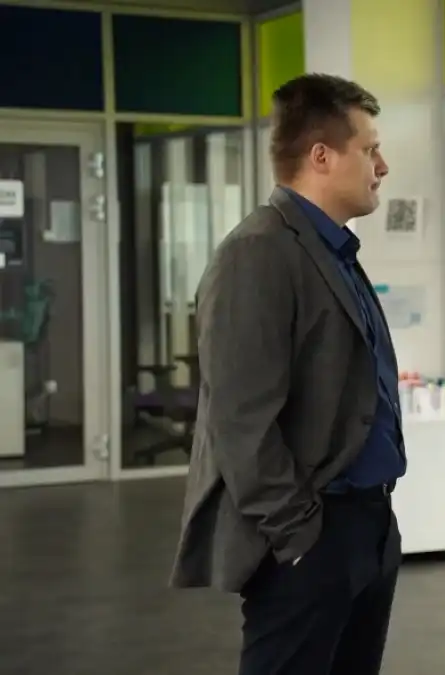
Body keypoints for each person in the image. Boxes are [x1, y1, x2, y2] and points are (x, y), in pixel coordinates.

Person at [169, 73, 405, 675]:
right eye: (370, 149)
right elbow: (240, 422)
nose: (382, 166)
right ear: (322, 157)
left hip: (368, 526)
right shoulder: (257, 252)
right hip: (312, 536)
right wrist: (300, 537)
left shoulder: (333, 250)